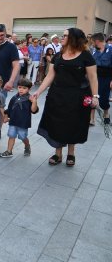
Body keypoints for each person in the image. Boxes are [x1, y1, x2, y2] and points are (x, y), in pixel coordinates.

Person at [33, 28, 98, 167]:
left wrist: (95, 96)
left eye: (65, 36)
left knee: (73, 124)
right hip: (57, 95)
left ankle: (71, 153)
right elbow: (50, 75)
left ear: (73, 38)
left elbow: (93, 78)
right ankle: (58, 154)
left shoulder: (86, 56)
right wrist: (38, 92)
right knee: (57, 124)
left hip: (77, 96)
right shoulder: (58, 55)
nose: (62, 38)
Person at [0, 78, 38, 158]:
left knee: (23, 136)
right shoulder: (14, 98)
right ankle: (9, 151)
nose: (21, 90)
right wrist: (6, 117)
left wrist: (34, 102)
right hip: (13, 121)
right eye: (20, 87)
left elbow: (33, 110)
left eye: (24, 88)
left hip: (23, 123)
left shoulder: (30, 99)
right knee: (11, 135)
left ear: (29, 89)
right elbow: (9, 109)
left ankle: (27, 146)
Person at [90, 33, 112, 125]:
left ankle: (106, 113)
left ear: (97, 41)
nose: (92, 44)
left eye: (92, 42)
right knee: (92, 96)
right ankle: (92, 119)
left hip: (106, 78)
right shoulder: (94, 50)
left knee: (104, 99)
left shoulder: (110, 50)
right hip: (95, 76)